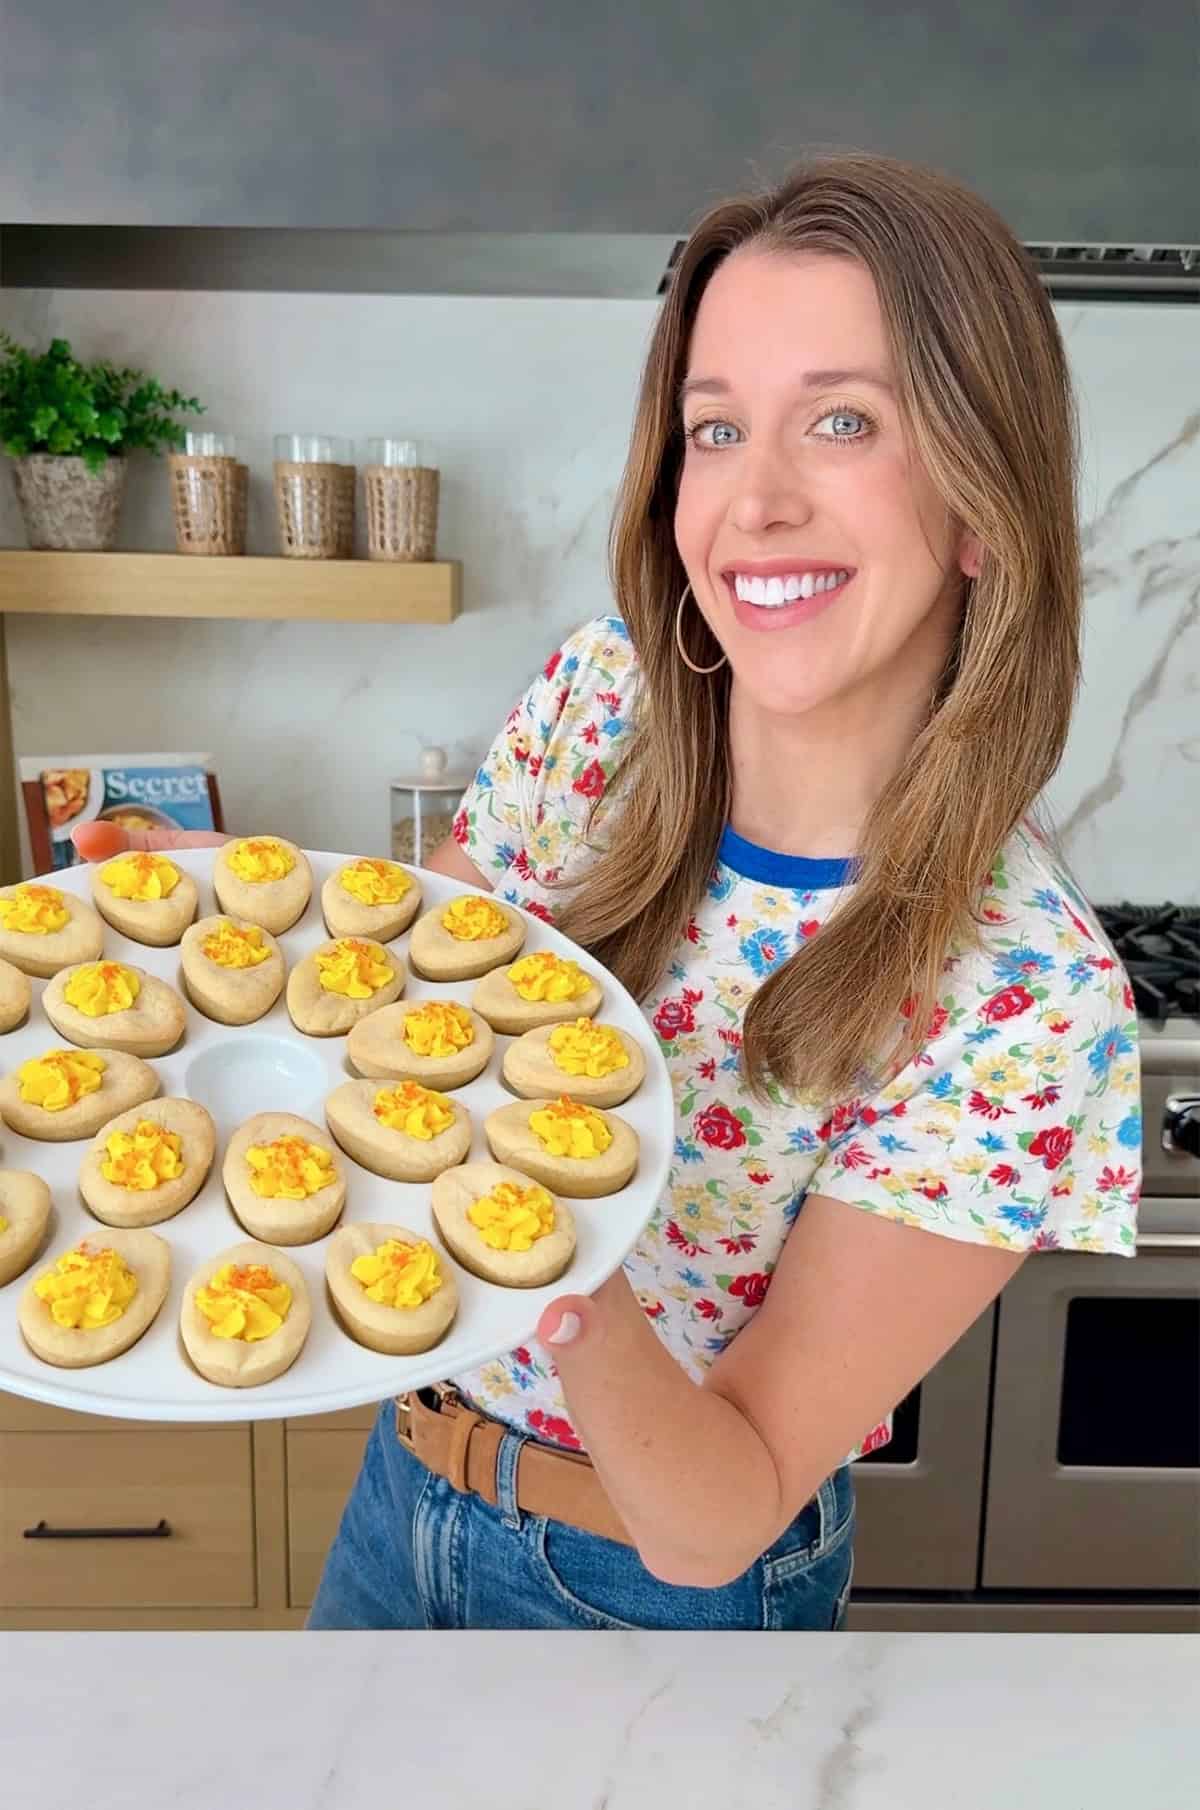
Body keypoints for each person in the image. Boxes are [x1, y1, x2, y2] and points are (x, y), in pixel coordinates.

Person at [74, 151, 1141, 1631]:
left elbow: (715, 1519)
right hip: (404, 1481)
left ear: (981, 504)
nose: (755, 500)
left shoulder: (1028, 996)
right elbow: (403, 1012)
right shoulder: (603, 707)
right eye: (717, 429)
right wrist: (249, 913)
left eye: (843, 421)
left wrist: (546, 1250)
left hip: (647, 1593)